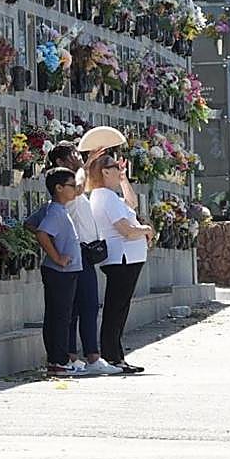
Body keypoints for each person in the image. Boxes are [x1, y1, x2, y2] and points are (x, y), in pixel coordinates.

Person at [26, 143, 122, 376]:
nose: (77, 158)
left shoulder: (64, 193)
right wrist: (57, 252)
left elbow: (31, 223)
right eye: (72, 155)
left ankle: (70, 357)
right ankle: (84, 357)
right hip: (72, 258)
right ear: (59, 163)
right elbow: (38, 228)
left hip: (79, 256)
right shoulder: (66, 193)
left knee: (76, 308)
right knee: (81, 307)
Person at [89, 153, 154, 374]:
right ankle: (112, 357)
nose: (119, 168)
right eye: (115, 166)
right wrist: (146, 230)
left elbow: (131, 204)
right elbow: (126, 230)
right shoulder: (105, 196)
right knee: (116, 310)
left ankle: (116, 356)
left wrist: (124, 179)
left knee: (119, 309)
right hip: (122, 258)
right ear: (105, 172)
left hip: (127, 258)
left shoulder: (108, 196)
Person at [34, 168, 84, 377]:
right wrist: (57, 257)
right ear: (59, 188)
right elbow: (42, 233)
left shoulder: (58, 209)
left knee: (61, 316)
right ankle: (58, 361)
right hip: (60, 272)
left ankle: (57, 360)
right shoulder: (55, 211)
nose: (75, 189)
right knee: (60, 318)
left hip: (65, 272)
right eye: (71, 186)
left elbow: (32, 224)